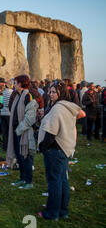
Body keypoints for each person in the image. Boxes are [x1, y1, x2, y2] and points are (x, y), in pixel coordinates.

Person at [37, 81, 85, 220]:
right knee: (62, 180)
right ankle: (63, 210)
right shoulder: (68, 106)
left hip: (55, 149)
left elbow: (51, 131)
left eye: (53, 92)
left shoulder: (58, 108)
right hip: (64, 148)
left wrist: (43, 147)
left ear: (61, 93)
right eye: (50, 91)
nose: (50, 94)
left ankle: (52, 213)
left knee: (54, 181)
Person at [7, 75, 38, 190]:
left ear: (20, 84)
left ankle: (29, 181)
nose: (14, 85)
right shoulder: (17, 96)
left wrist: (19, 129)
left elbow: (30, 117)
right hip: (16, 131)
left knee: (25, 156)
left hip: (23, 132)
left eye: (15, 83)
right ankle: (22, 178)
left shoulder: (28, 97)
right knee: (19, 157)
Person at [0, 79, 13, 151]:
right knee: (10, 131)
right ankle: (10, 146)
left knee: (4, 131)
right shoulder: (12, 93)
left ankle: (5, 146)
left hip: (2, 113)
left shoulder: (2, 93)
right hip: (9, 113)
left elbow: (1, 103)